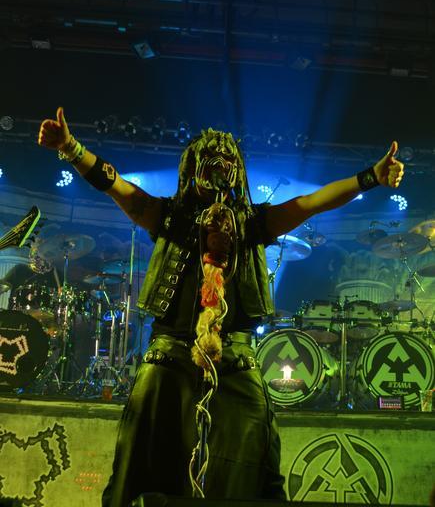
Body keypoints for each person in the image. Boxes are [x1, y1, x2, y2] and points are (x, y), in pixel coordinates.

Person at [38, 108, 404, 507]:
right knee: (140, 454)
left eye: (229, 160)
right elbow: (116, 185)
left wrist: (370, 177)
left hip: (235, 359)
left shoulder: (255, 223)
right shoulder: (169, 216)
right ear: (192, 168)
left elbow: (312, 202)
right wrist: (71, 148)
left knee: (255, 454)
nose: (221, 167)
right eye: (211, 159)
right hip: (169, 355)